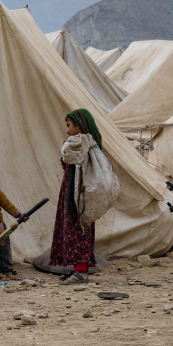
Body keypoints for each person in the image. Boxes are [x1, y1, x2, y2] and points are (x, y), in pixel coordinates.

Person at [51, 108, 102, 284]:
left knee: (79, 230)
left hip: (79, 196)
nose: (67, 130)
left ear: (80, 126)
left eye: (69, 126)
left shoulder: (85, 144)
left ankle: (81, 271)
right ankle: (76, 269)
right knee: (71, 229)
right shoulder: (77, 143)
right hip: (71, 193)